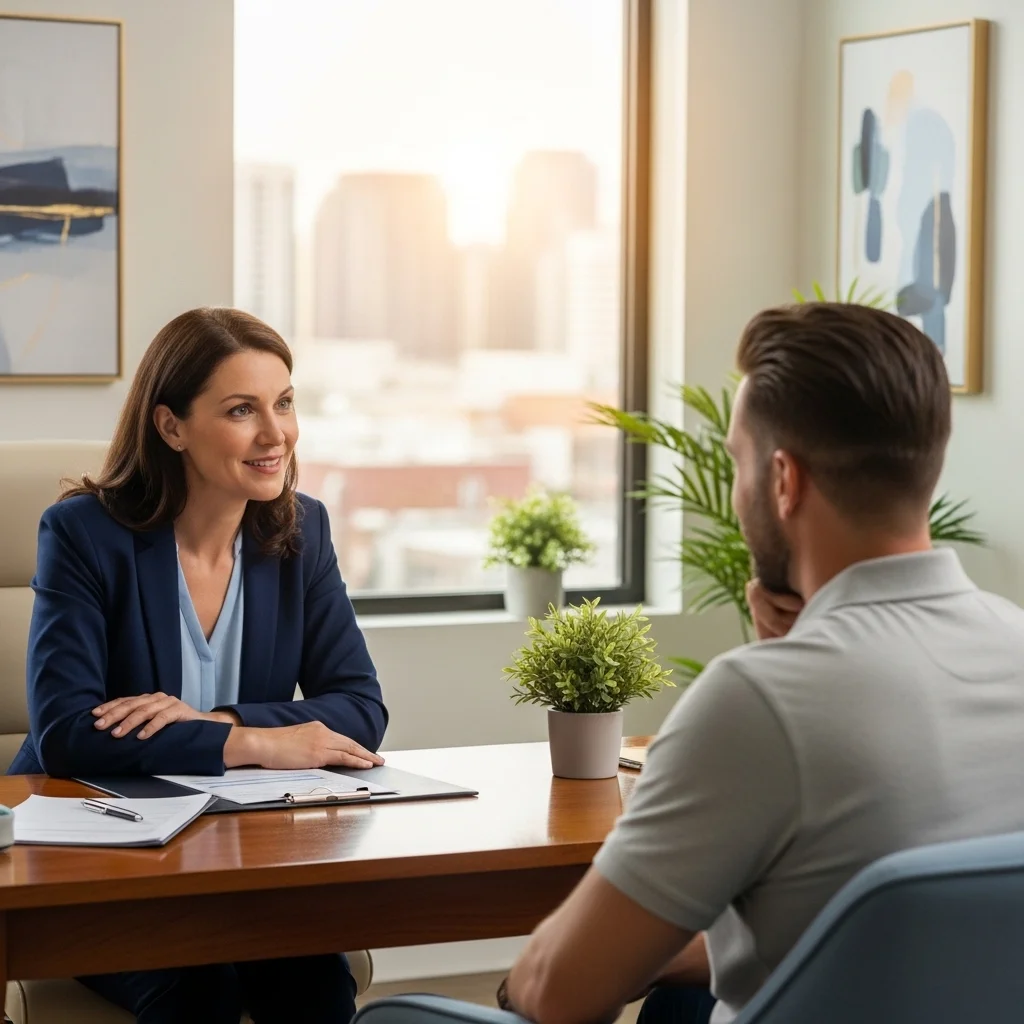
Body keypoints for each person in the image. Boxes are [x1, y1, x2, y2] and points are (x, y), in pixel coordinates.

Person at [498, 302, 1024, 1024]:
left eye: (737, 463)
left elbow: (559, 992)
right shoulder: (1013, 640)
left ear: (783, 480)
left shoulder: (759, 701)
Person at [10, 307, 388, 1024]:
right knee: (198, 987)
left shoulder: (302, 530)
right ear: (171, 426)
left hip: (241, 865)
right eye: (242, 410)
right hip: (97, 870)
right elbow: (65, 732)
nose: (275, 434)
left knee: (314, 980)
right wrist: (253, 742)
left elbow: (359, 708)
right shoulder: (85, 533)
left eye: (283, 402)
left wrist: (216, 721)